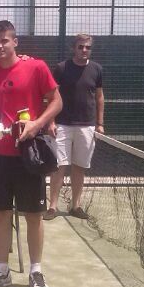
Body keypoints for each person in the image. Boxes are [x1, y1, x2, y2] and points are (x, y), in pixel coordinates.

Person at [0, 20, 62, 287]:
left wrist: (37, 124)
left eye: (4, 41)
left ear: (15, 42)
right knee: (0, 214)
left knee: (33, 215)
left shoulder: (36, 67)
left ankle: (35, 271)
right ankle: (2, 270)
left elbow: (57, 101)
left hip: (29, 154)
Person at [44, 34, 105, 221]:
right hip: (62, 125)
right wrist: (51, 122)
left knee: (79, 167)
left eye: (87, 47)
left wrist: (100, 123)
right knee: (59, 166)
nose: (84, 50)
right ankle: (52, 207)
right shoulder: (62, 68)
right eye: (80, 47)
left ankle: (75, 206)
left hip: (87, 127)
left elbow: (99, 97)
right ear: (74, 48)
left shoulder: (96, 69)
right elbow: (52, 97)